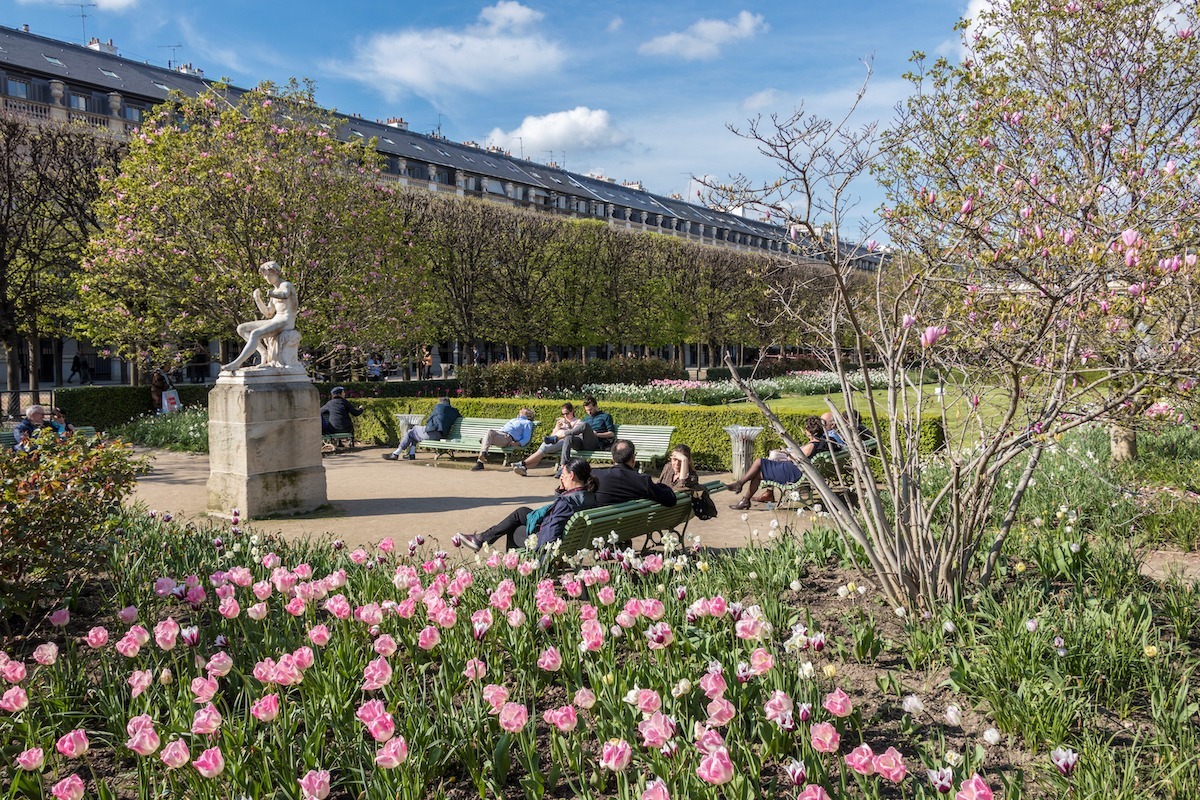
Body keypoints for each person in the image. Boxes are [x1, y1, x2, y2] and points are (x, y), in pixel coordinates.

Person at [459, 458, 598, 552]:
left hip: (555, 543)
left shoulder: (567, 502)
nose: (561, 476)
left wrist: (541, 557)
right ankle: (482, 538)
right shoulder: (590, 495)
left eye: (564, 473)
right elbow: (561, 512)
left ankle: (513, 569)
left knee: (514, 528)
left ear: (571, 475)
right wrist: (562, 490)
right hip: (574, 540)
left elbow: (552, 531)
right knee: (521, 512)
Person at [725, 416, 841, 510]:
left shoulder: (812, 445)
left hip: (793, 473)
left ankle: (740, 484)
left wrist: (787, 453)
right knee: (758, 474)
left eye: (806, 429)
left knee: (759, 461)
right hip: (795, 470)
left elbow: (795, 458)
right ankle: (745, 500)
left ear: (810, 431)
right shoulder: (821, 442)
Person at [222, 261, 299, 372]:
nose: (267, 278)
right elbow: (268, 312)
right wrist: (258, 299)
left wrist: (271, 293)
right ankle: (264, 353)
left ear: (276, 273)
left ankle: (236, 363)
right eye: (265, 275)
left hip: (286, 321)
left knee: (255, 333)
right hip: (276, 319)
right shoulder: (275, 290)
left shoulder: (285, 285)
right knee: (241, 328)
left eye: (269, 274)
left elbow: (285, 295)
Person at [593, 439, 677, 507]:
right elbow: (670, 500)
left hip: (602, 526)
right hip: (632, 525)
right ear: (633, 458)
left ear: (613, 459)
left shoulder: (596, 476)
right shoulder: (642, 481)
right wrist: (662, 486)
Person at [513, 402, 584, 476]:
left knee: (543, 450)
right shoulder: (561, 421)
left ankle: (522, 463)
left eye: (567, 413)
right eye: (563, 414)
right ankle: (524, 468)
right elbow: (552, 435)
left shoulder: (577, 422)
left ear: (572, 411)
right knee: (541, 453)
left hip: (564, 441)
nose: (565, 416)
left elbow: (574, 434)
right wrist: (557, 427)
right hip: (553, 441)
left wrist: (569, 425)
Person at [382, 397, 461, 460]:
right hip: (443, 435)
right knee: (414, 433)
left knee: (411, 431)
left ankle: (396, 453)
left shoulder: (438, 407)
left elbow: (429, 420)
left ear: (441, 402)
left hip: (432, 433)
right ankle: (411, 455)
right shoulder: (454, 411)